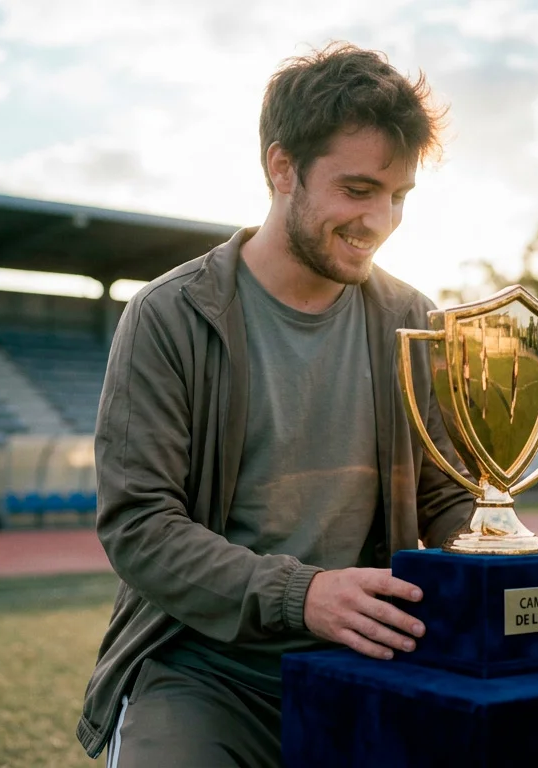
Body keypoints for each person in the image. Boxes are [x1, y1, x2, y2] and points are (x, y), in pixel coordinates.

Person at [76, 42, 475, 767]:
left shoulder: (413, 318)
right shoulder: (170, 315)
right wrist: (304, 595)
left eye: (399, 196)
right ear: (281, 167)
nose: (381, 220)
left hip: (376, 665)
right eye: (358, 190)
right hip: (202, 672)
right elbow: (141, 525)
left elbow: (446, 493)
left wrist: (500, 552)